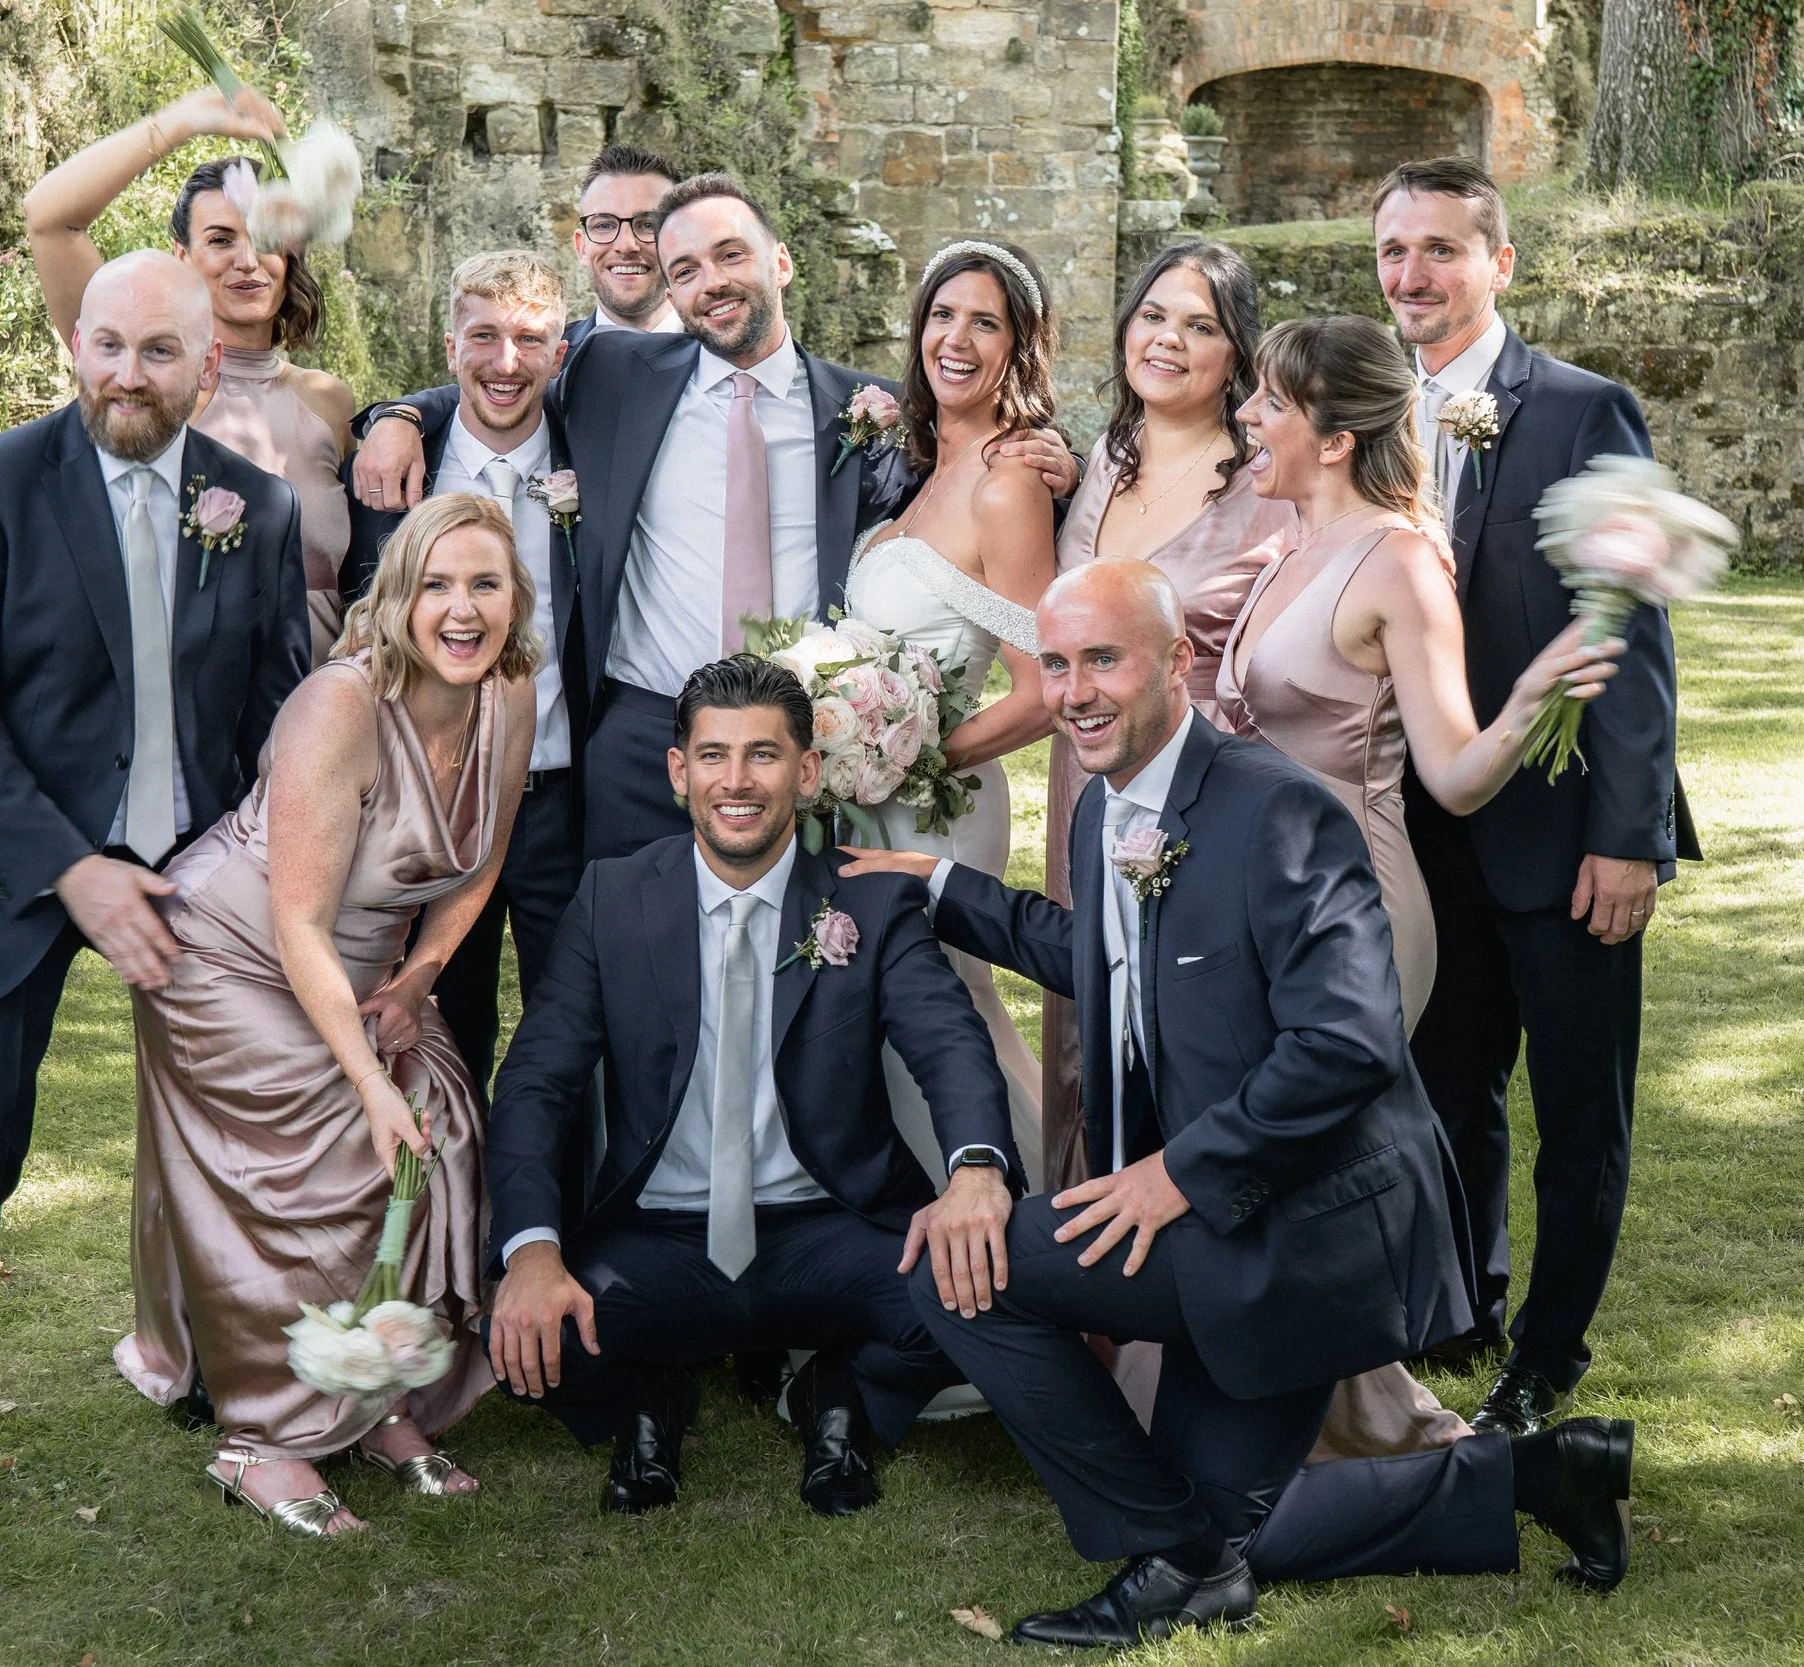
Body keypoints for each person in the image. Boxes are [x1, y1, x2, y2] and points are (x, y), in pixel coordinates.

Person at [841, 562, 1636, 1647]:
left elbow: (1348, 1036)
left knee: (959, 1261)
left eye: (1104, 659)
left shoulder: (1278, 812)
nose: (1073, 691)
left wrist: (1174, 1174)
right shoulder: (1105, 805)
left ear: (1176, 662)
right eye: (1058, 662)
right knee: (1231, 1531)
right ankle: (1545, 1470)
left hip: (1302, 1236)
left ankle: (1173, 1553)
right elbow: (1100, 953)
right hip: (1213, 1223)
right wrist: (931, 885)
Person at [0, 251, 310, 1555]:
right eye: (107, 344)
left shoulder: (259, 511)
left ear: (207, 365)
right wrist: (76, 870)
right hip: (9, 870)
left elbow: (283, 714)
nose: (128, 372)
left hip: (194, 868)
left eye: (158, 351)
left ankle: (244, 1382)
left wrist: (269, 874)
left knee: (237, 1139)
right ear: (75, 347)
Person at [351, 172, 1080, 863]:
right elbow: (507, 363)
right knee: (631, 967)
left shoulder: (873, 413)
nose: (712, 281)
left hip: (801, 743)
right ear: (671, 290)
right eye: (686, 269)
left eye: (730, 254)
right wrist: (401, 414)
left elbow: (973, 473)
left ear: (782, 262)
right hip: (641, 737)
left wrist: (1060, 460)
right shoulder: (616, 375)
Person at [482, 657, 1024, 1518]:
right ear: (678, 770)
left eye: (764, 756)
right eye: (713, 755)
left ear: (807, 772)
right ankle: (651, 1396)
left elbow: (949, 1044)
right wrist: (534, 1252)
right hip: (659, 1232)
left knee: (990, 1296)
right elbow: (537, 1083)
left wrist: (977, 1171)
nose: (736, 781)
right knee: (523, 1336)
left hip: (827, 1224)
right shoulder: (612, 897)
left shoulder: (871, 903)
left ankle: (835, 1394)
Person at [113, 492, 535, 1529]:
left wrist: (418, 979)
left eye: (485, 583)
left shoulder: (513, 691)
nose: (463, 609)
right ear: (396, 598)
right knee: (350, 1142)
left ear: (517, 598)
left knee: (440, 1126)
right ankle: (262, 1436)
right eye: (435, 584)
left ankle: (372, 1397)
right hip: (228, 958)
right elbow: (298, 920)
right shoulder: (339, 707)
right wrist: (361, 1073)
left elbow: (478, 866)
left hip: (363, 969)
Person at [1371, 157, 1697, 1430]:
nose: (1412, 276)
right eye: (1393, 251)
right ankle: (1465, 1302)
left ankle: (1549, 1350)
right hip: (1417, 826)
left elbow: (1635, 637)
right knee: (1445, 1090)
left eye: (1440, 250)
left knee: (1577, 1109)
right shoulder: (1367, 408)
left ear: (1499, 262)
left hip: (1562, 838)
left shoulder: (1581, 410)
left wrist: (1630, 837)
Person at [1221, 313, 1620, 1029]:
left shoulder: (1397, 562)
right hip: (1260, 892)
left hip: (1347, 900)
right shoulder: (1289, 548)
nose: (1246, 412)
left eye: (1274, 402)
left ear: (1337, 442)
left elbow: (1457, 779)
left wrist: (1533, 694)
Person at [1043, 240, 1294, 1189]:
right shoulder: (1099, 460)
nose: (1169, 340)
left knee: (1186, 1021)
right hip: (1087, 776)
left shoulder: (1268, 484)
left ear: (1238, 355)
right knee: (1087, 1013)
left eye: (1201, 326)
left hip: (1204, 789)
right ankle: (1085, 1252)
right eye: (1153, 315)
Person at [336, 253, 581, 1092]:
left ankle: (548, 1216)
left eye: (530, 340)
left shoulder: (601, 455)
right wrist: (396, 415)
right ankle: (443, 1207)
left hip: (563, 800)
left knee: (569, 1025)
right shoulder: (390, 466)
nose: (506, 362)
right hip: (429, 798)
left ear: (560, 350)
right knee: (436, 1020)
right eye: (484, 337)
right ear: (450, 347)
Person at [845, 237, 1059, 1187]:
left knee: (951, 1016)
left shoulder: (1008, 484)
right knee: (891, 1019)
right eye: (942, 314)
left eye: (985, 321)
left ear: (1020, 345)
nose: (957, 338)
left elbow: (1046, 686)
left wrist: (910, 763)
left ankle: (1026, 1218)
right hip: (870, 790)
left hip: (939, 804)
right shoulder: (918, 473)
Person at [24, 85, 360, 659]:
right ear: (182, 256)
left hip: (319, 711)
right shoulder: (145, 379)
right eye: (221, 240)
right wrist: (174, 124)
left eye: (265, 240)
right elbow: (50, 221)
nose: (248, 262)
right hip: (185, 711)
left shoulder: (329, 403)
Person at [565, 144, 684, 344]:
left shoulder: (727, 357)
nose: (627, 245)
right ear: (581, 247)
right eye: (604, 225)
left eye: (648, 224)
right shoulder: (547, 362)